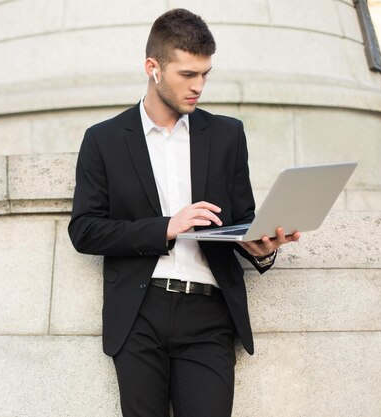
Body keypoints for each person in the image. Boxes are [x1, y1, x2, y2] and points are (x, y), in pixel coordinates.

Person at [68, 8, 301, 417]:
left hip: (209, 315)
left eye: (205, 74)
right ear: (152, 68)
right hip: (141, 312)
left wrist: (262, 247)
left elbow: (240, 220)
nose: (199, 86)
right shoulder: (104, 140)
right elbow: (85, 230)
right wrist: (166, 228)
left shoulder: (228, 135)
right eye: (187, 75)